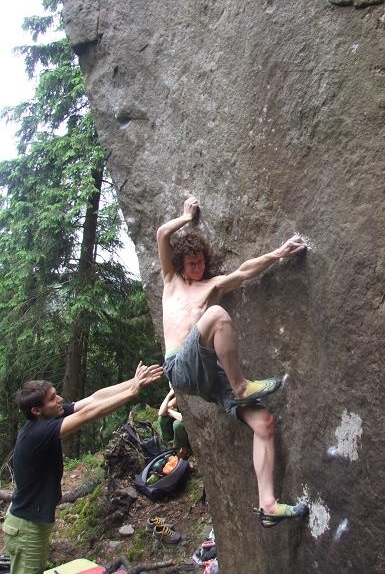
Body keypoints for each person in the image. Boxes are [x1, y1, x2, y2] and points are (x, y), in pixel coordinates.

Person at [156, 196, 309, 528]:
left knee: (264, 423)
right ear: (180, 264)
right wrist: (185, 217)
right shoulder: (171, 283)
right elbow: (161, 235)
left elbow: (243, 272)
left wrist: (277, 253)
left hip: (207, 375)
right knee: (218, 316)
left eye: (200, 262)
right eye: (191, 263)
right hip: (178, 367)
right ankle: (241, 386)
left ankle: (267, 504)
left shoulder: (212, 285)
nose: (197, 268)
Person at [2, 361, 163, 573]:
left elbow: (93, 400)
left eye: (56, 394)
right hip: (27, 527)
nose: (60, 400)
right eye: (52, 399)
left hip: (28, 523)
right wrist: (131, 393)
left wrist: (132, 383)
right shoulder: (37, 433)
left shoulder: (48, 418)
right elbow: (87, 415)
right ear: (36, 410)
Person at [157, 387, 191, 457]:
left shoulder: (190, 395)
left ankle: (183, 449)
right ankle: (170, 443)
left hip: (193, 425)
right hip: (184, 425)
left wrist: (169, 411)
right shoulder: (178, 397)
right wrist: (169, 395)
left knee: (177, 424)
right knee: (163, 419)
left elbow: (184, 418)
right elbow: (161, 413)